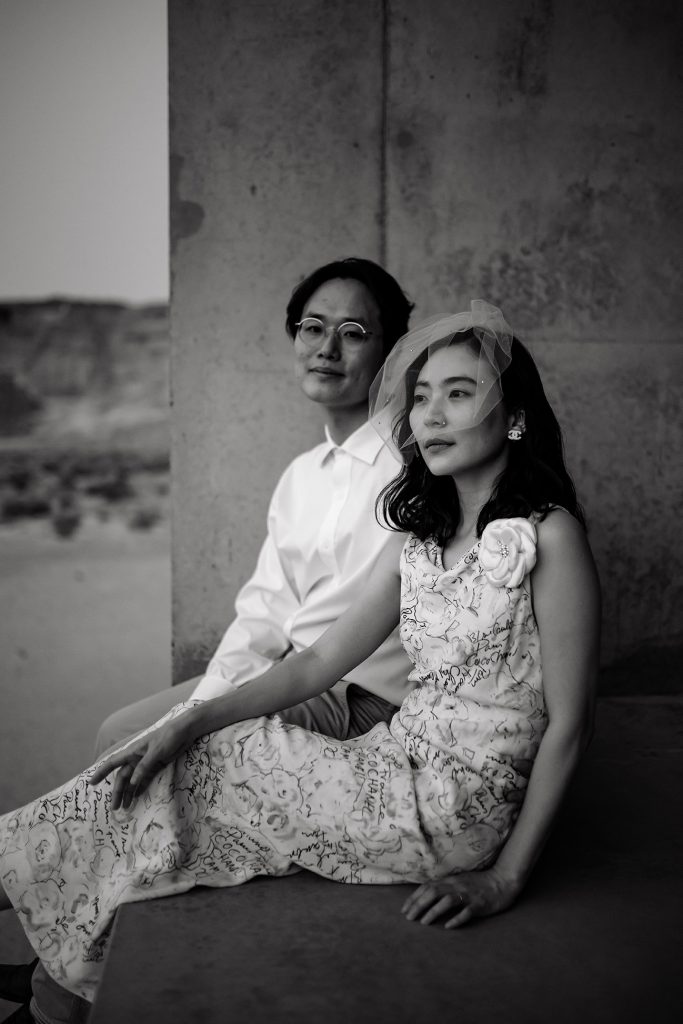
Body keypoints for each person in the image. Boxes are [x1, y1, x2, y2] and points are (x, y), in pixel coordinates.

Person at [0, 301, 600, 1017]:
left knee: (200, 774)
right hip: (388, 762)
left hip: (456, 807)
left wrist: (504, 878)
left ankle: (35, 957)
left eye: (459, 393)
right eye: (420, 395)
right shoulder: (417, 542)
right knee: (183, 766)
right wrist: (192, 718)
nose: (431, 413)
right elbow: (317, 663)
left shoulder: (547, 537)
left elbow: (570, 722)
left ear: (514, 419)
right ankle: (54, 1000)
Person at [0, 256, 416, 1024]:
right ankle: (56, 956)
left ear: (389, 350)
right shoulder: (302, 475)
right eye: (311, 328)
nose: (327, 348)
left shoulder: (409, 467)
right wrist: (206, 698)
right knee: (122, 733)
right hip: (292, 673)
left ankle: (50, 999)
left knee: (145, 758)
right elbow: (262, 613)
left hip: (355, 696)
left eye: (353, 332)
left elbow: (336, 648)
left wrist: (200, 720)